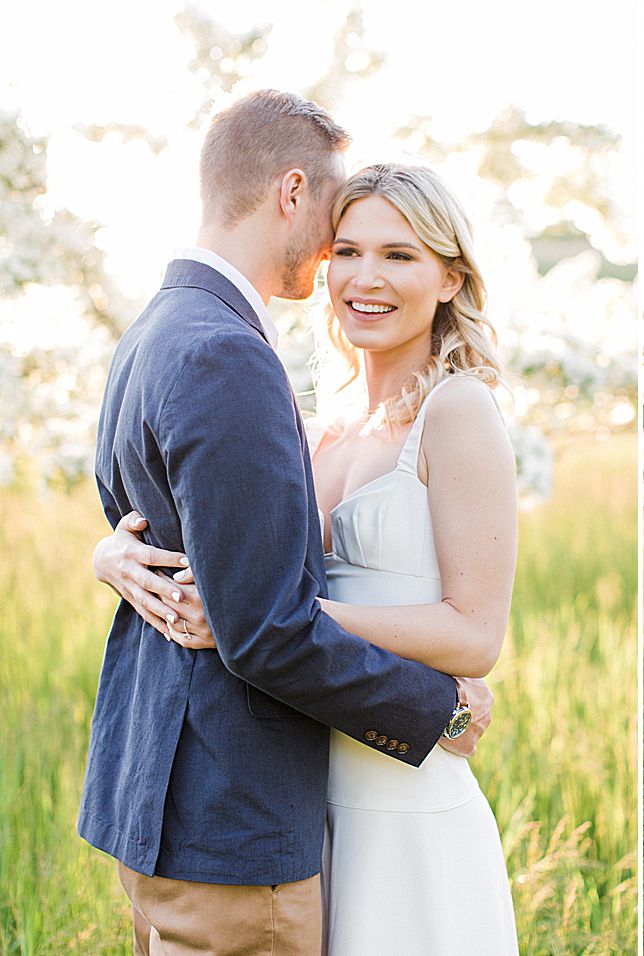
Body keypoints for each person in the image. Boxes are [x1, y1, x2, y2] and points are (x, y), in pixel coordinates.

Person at [85, 91, 490, 955]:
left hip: (354, 795)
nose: (355, 274)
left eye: (398, 254)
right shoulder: (275, 385)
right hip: (263, 800)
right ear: (292, 193)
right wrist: (108, 557)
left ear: (450, 276)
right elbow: (236, 598)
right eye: (344, 246)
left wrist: (236, 611)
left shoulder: (159, 330)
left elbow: (258, 609)